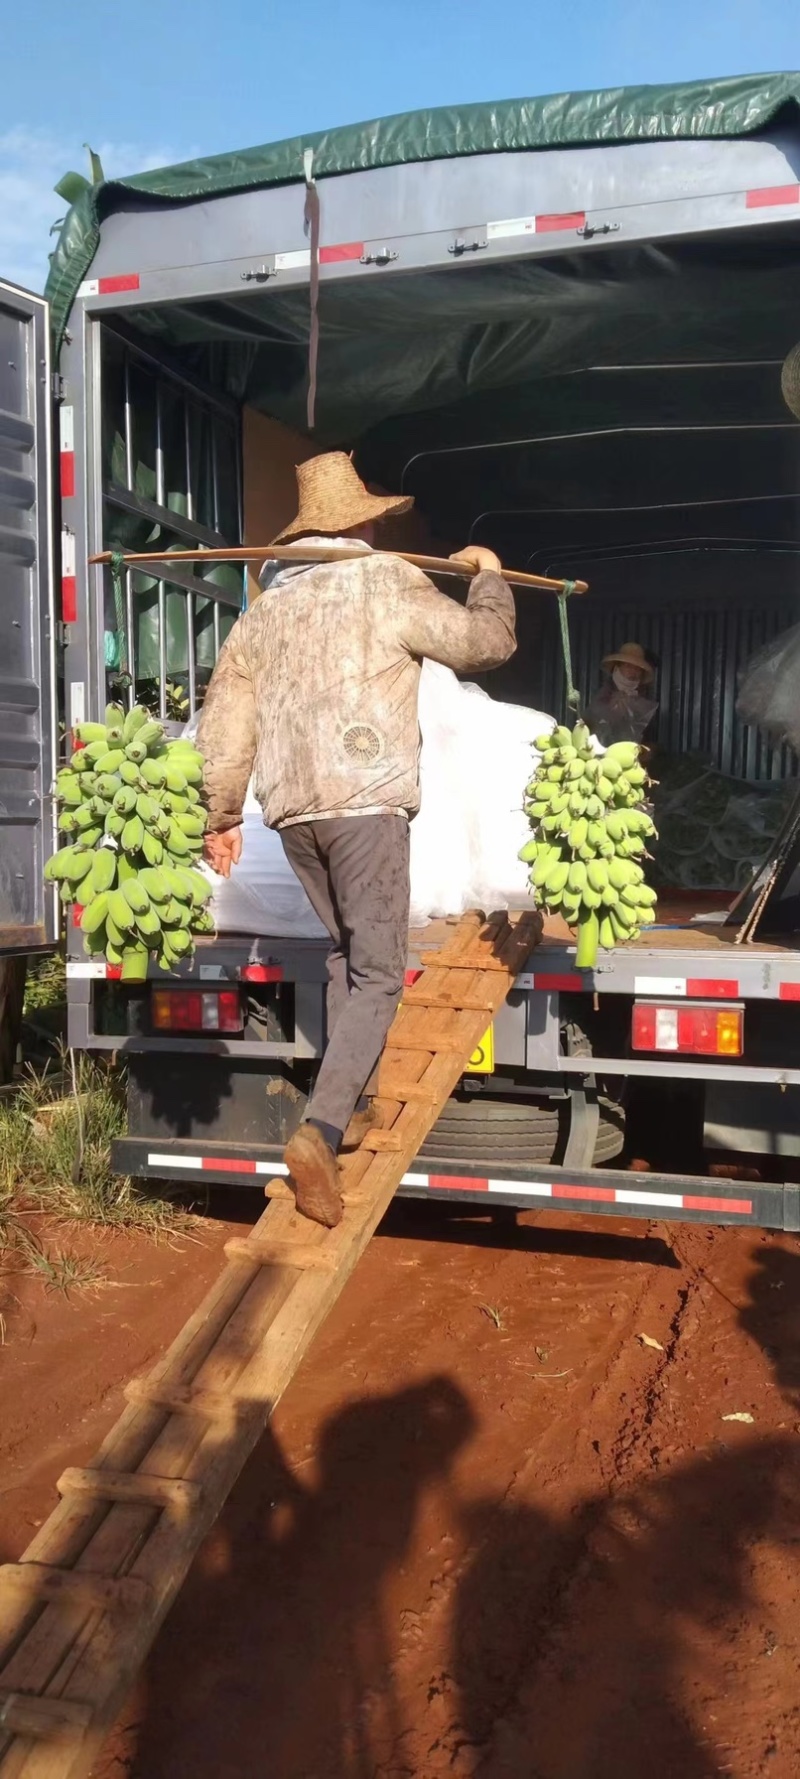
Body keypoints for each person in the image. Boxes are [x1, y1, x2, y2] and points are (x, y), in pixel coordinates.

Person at [196, 452, 516, 1227]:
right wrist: (490, 577)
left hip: (295, 814)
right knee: (378, 972)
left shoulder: (263, 612)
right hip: (365, 805)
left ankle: (360, 1102)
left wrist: (222, 815)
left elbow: (226, 722)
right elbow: (484, 646)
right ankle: (320, 1130)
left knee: (345, 952)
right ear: (364, 523)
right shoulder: (386, 581)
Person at [584, 640, 658, 747]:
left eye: (637, 669)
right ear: (617, 668)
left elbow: (648, 737)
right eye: (628, 666)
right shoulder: (604, 694)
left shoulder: (643, 701)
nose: (633, 672)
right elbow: (589, 727)